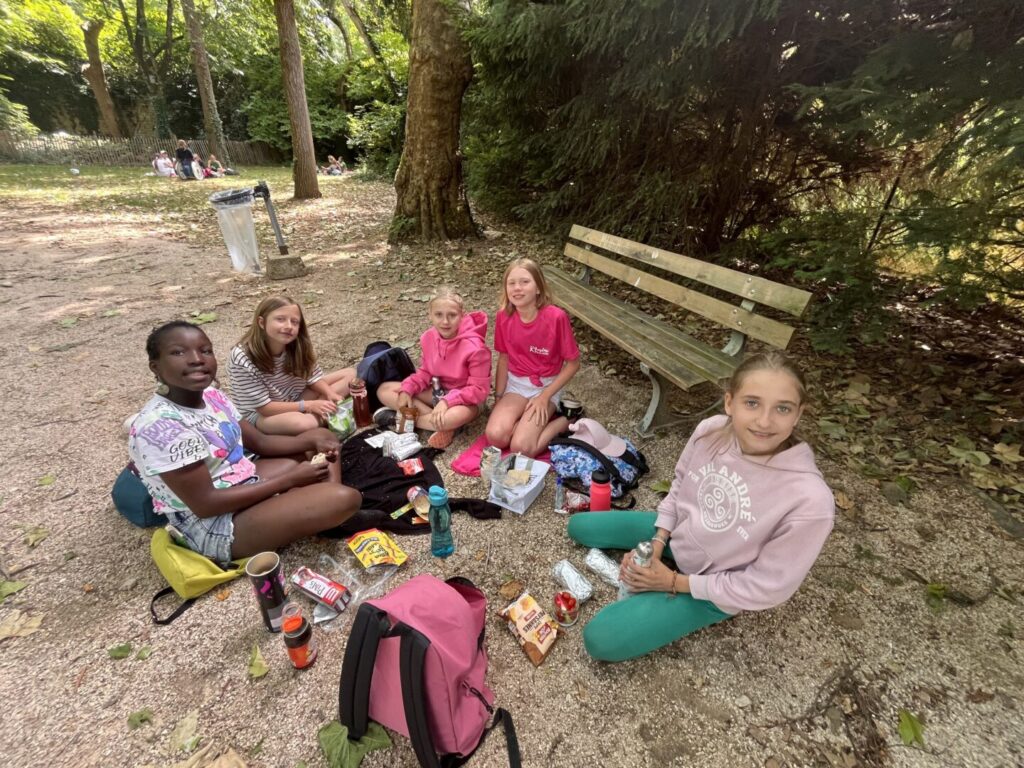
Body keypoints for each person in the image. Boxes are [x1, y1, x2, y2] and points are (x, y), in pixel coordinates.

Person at [566, 351, 835, 662]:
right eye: (752, 403)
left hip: (716, 586)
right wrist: (658, 541)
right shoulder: (710, 431)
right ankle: (666, 560)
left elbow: (767, 586)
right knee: (579, 527)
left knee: (600, 640)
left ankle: (678, 598)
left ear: (798, 414)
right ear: (729, 402)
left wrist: (672, 582)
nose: (764, 421)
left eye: (783, 408)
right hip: (682, 535)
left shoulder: (809, 500)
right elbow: (680, 485)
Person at [128, 321, 361, 564]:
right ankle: (327, 508)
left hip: (241, 479)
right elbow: (206, 505)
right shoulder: (161, 426)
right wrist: (290, 480)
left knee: (323, 438)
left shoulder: (212, 395)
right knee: (345, 498)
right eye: (178, 352)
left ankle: (324, 512)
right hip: (214, 524)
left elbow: (260, 442)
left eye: (205, 351)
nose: (197, 359)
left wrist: (310, 441)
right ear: (155, 367)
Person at [484, 258, 580, 457]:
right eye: (511, 283)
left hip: (546, 386)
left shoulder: (556, 317)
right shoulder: (504, 316)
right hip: (516, 385)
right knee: (495, 436)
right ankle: (522, 421)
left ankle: (567, 420)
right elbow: (504, 358)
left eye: (525, 282)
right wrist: (499, 397)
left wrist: (544, 397)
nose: (517, 288)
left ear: (538, 287)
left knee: (521, 448)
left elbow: (573, 364)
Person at [376, 287, 492, 449]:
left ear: (462, 315)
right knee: (385, 390)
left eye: (452, 315)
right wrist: (407, 389)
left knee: (452, 417)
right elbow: (425, 372)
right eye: (438, 315)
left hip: (466, 401)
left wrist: (447, 402)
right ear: (430, 315)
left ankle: (405, 420)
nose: (445, 321)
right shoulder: (428, 337)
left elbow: (479, 390)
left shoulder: (476, 348)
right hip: (438, 390)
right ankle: (439, 425)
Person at [227, 296, 357, 436]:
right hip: (263, 414)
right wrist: (309, 405)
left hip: (296, 397)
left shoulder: (297, 345)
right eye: (280, 319)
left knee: (350, 374)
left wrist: (329, 393)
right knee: (302, 424)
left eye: (294, 322)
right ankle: (320, 416)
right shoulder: (242, 357)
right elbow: (264, 408)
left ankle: (322, 412)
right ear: (262, 322)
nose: (289, 326)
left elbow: (312, 376)